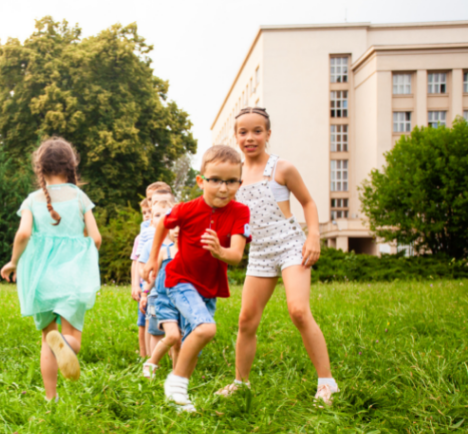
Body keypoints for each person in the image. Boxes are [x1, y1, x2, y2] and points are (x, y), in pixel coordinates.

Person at [215, 107, 339, 406]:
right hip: (260, 251)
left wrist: (313, 236)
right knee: (246, 320)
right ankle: (240, 382)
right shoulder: (235, 176)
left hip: (289, 244)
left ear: (268, 134)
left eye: (257, 131)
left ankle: (327, 383)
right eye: (243, 132)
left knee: (298, 310)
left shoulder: (281, 168)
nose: (250, 137)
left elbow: (308, 202)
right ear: (236, 137)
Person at [143, 145, 251, 412]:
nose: (223, 188)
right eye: (215, 180)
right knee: (206, 328)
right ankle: (175, 386)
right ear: (201, 181)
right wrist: (153, 258)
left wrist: (219, 251)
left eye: (230, 181)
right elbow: (162, 225)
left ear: (240, 182)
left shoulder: (240, 212)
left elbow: (236, 256)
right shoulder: (187, 209)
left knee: (194, 341)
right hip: (179, 280)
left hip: (208, 288)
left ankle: (180, 395)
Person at [1, 137, 102, 402]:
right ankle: (67, 346)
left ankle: (50, 398)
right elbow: (96, 238)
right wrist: (82, 256)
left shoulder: (33, 199)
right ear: (71, 166)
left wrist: (13, 262)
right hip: (72, 276)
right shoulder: (80, 197)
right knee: (70, 337)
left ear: (40, 168)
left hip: (41, 277)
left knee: (48, 338)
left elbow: (23, 234)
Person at [137, 199, 173, 358]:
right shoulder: (149, 246)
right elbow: (146, 273)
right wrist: (144, 293)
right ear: (152, 221)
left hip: (176, 296)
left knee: (176, 331)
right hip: (155, 297)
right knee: (155, 331)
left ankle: (176, 364)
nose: (163, 218)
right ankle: (153, 363)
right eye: (158, 215)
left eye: (167, 214)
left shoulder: (179, 243)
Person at [131, 198, 151, 358]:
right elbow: (136, 262)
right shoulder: (141, 238)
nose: (146, 216)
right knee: (143, 321)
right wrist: (135, 285)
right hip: (145, 285)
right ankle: (144, 356)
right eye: (144, 213)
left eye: (149, 212)